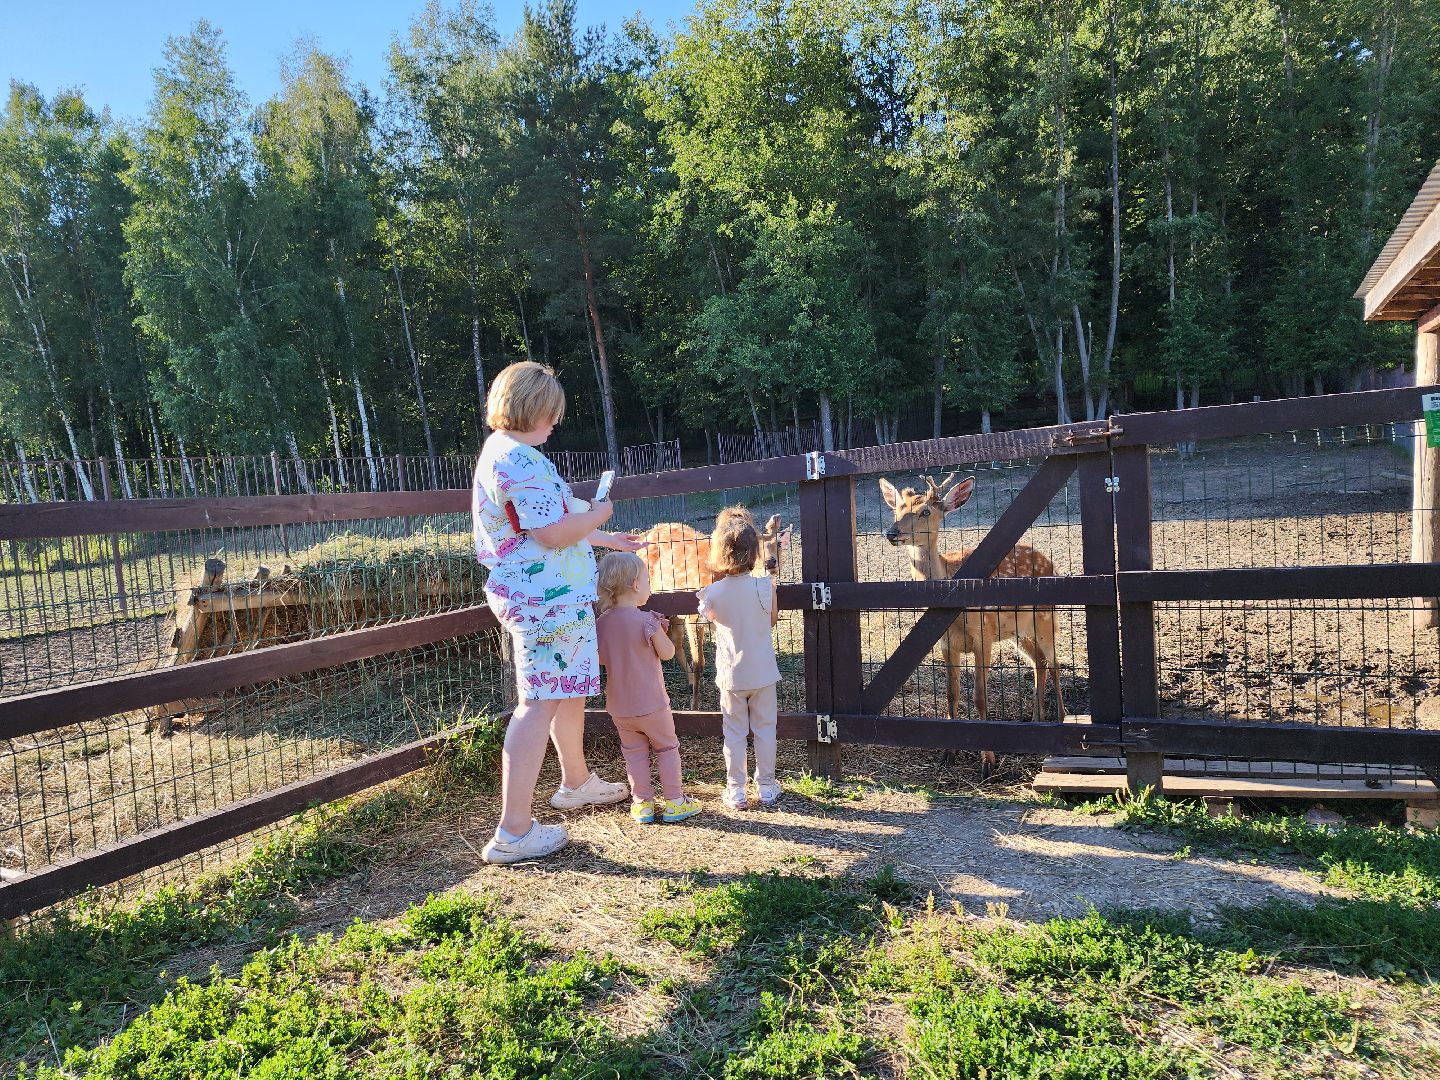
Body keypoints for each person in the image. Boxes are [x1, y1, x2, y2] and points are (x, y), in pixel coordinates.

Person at [472, 361, 645, 863]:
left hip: (552, 597)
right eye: (551, 414)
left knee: (563, 690)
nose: (555, 423)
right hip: (542, 600)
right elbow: (550, 534)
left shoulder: (510, 453)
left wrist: (602, 535)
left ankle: (575, 781)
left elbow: (553, 516)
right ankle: (514, 830)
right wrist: (600, 514)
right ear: (531, 410)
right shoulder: (520, 460)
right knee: (538, 702)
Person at [594, 551, 702, 824]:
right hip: (652, 704)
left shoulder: (600, 625)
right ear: (635, 585)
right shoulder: (646, 621)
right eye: (648, 579)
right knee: (666, 748)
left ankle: (642, 804)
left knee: (634, 753)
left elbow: (600, 659)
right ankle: (675, 802)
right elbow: (666, 654)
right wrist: (658, 630)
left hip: (620, 708)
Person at [696, 510, 782, 810]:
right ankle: (767, 786)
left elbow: (708, 619)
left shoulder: (712, 593)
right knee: (765, 729)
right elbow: (771, 620)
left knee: (733, 733)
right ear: (755, 551)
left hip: (731, 676)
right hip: (763, 673)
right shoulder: (764, 586)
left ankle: (736, 789)